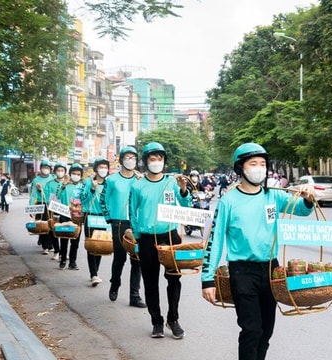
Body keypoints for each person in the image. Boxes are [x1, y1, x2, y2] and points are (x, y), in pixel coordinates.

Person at [201, 143, 315, 360]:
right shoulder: (228, 202)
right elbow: (214, 240)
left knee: (266, 331)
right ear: (240, 168)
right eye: (253, 163)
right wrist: (207, 279)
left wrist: (308, 199)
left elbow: (300, 209)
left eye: (262, 164)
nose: (259, 168)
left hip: (271, 270)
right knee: (251, 330)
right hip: (242, 272)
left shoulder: (274, 196)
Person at [128, 142, 191, 339]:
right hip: (147, 238)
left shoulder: (172, 182)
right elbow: (132, 212)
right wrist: (137, 236)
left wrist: (183, 189)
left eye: (160, 159)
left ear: (164, 161)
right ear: (146, 162)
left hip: (170, 235)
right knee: (150, 280)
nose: (156, 162)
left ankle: (173, 318)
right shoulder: (138, 185)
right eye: (152, 159)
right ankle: (156, 321)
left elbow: (185, 205)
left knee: (174, 278)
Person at [100, 146, 145, 308]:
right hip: (119, 222)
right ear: (121, 159)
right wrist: (109, 218)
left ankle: (135, 295)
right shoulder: (112, 180)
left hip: (136, 223)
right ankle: (115, 283)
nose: (130, 160)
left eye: (133, 157)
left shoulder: (140, 179)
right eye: (127, 157)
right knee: (120, 257)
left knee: (137, 259)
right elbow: (103, 200)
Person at [75, 157, 109, 286]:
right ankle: (93, 274)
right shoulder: (88, 182)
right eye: (101, 167)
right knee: (91, 244)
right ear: (95, 169)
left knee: (101, 245)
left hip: (103, 218)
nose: (103, 170)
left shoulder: (108, 183)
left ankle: (96, 272)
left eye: (105, 167)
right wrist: (92, 189)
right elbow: (82, 198)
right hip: (91, 217)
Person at [58, 163, 84, 270]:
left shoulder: (83, 187)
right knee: (64, 238)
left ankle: (73, 262)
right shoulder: (64, 185)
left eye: (78, 174)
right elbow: (56, 196)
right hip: (65, 214)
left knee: (75, 240)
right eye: (74, 173)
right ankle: (63, 258)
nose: (76, 175)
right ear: (70, 174)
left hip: (77, 216)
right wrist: (63, 186)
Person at [43, 162, 68, 260]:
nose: (60, 172)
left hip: (65, 211)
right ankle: (56, 251)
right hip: (54, 210)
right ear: (55, 172)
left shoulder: (68, 183)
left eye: (62, 170)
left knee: (64, 231)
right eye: (58, 170)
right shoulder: (50, 184)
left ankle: (63, 252)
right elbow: (48, 197)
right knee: (54, 230)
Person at [29, 159, 55, 253]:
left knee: (52, 225)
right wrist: (31, 208)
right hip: (41, 204)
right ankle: (45, 246)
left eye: (47, 168)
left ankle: (52, 244)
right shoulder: (36, 180)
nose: (45, 169)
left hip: (52, 204)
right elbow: (33, 195)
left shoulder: (53, 178)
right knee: (43, 225)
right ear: (40, 168)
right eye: (44, 167)